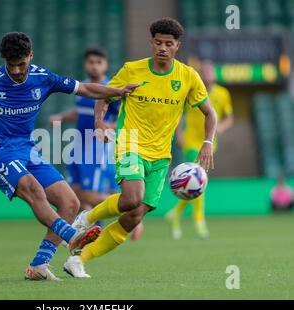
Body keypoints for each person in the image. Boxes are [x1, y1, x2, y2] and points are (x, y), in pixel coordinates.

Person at [0, 32, 138, 281]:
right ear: (4, 61)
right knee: (33, 189)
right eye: (12, 65)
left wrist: (117, 90)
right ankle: (72, 236)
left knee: (70, 203)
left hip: (29, 150)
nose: (17, 70)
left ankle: (39, 265)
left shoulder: (43, 77)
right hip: (2, 153)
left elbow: (83, 88)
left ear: (31, 56)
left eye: (22, 63)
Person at [62, 17, 217, 278]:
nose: (163, 48)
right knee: (131, 198)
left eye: (169, 44)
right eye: (158, 43)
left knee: (134, 217)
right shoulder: (132, 70)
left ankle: (79, 261)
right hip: (129, 142)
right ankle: (84, 219)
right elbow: (104, 96)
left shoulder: (188, 76)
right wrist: (99, 122)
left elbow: (209, 113)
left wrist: (207, 142)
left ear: (177, 45)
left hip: (161, 156)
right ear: (151, 42)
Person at [165, 60, 234, 239]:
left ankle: (175, 214)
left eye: (210, 71)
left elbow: (229, 118)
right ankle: (199, 220)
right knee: (198, 178)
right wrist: (179, 134)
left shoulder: (222, 93)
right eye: (204, 71)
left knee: (195, 181)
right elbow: (180, 114)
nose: (207, 74)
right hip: (191, 142)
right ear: (200, 75)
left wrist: (221, 128)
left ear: (215, 75)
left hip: (210, 142)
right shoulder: (193, 91)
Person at [49, 48, 119, 213]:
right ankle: (92, 231)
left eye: (98, 62)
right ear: (85, 64)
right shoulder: (83, 88)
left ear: (106, 65)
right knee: (75, 192)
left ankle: (129, 207)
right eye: (91, 62)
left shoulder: (111, 90)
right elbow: (80, 112)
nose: (94, 66)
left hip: (97, 146)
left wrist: (109, 127)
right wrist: (62, 117)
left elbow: (124, 117)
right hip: (79, 144)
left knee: (89, 194)